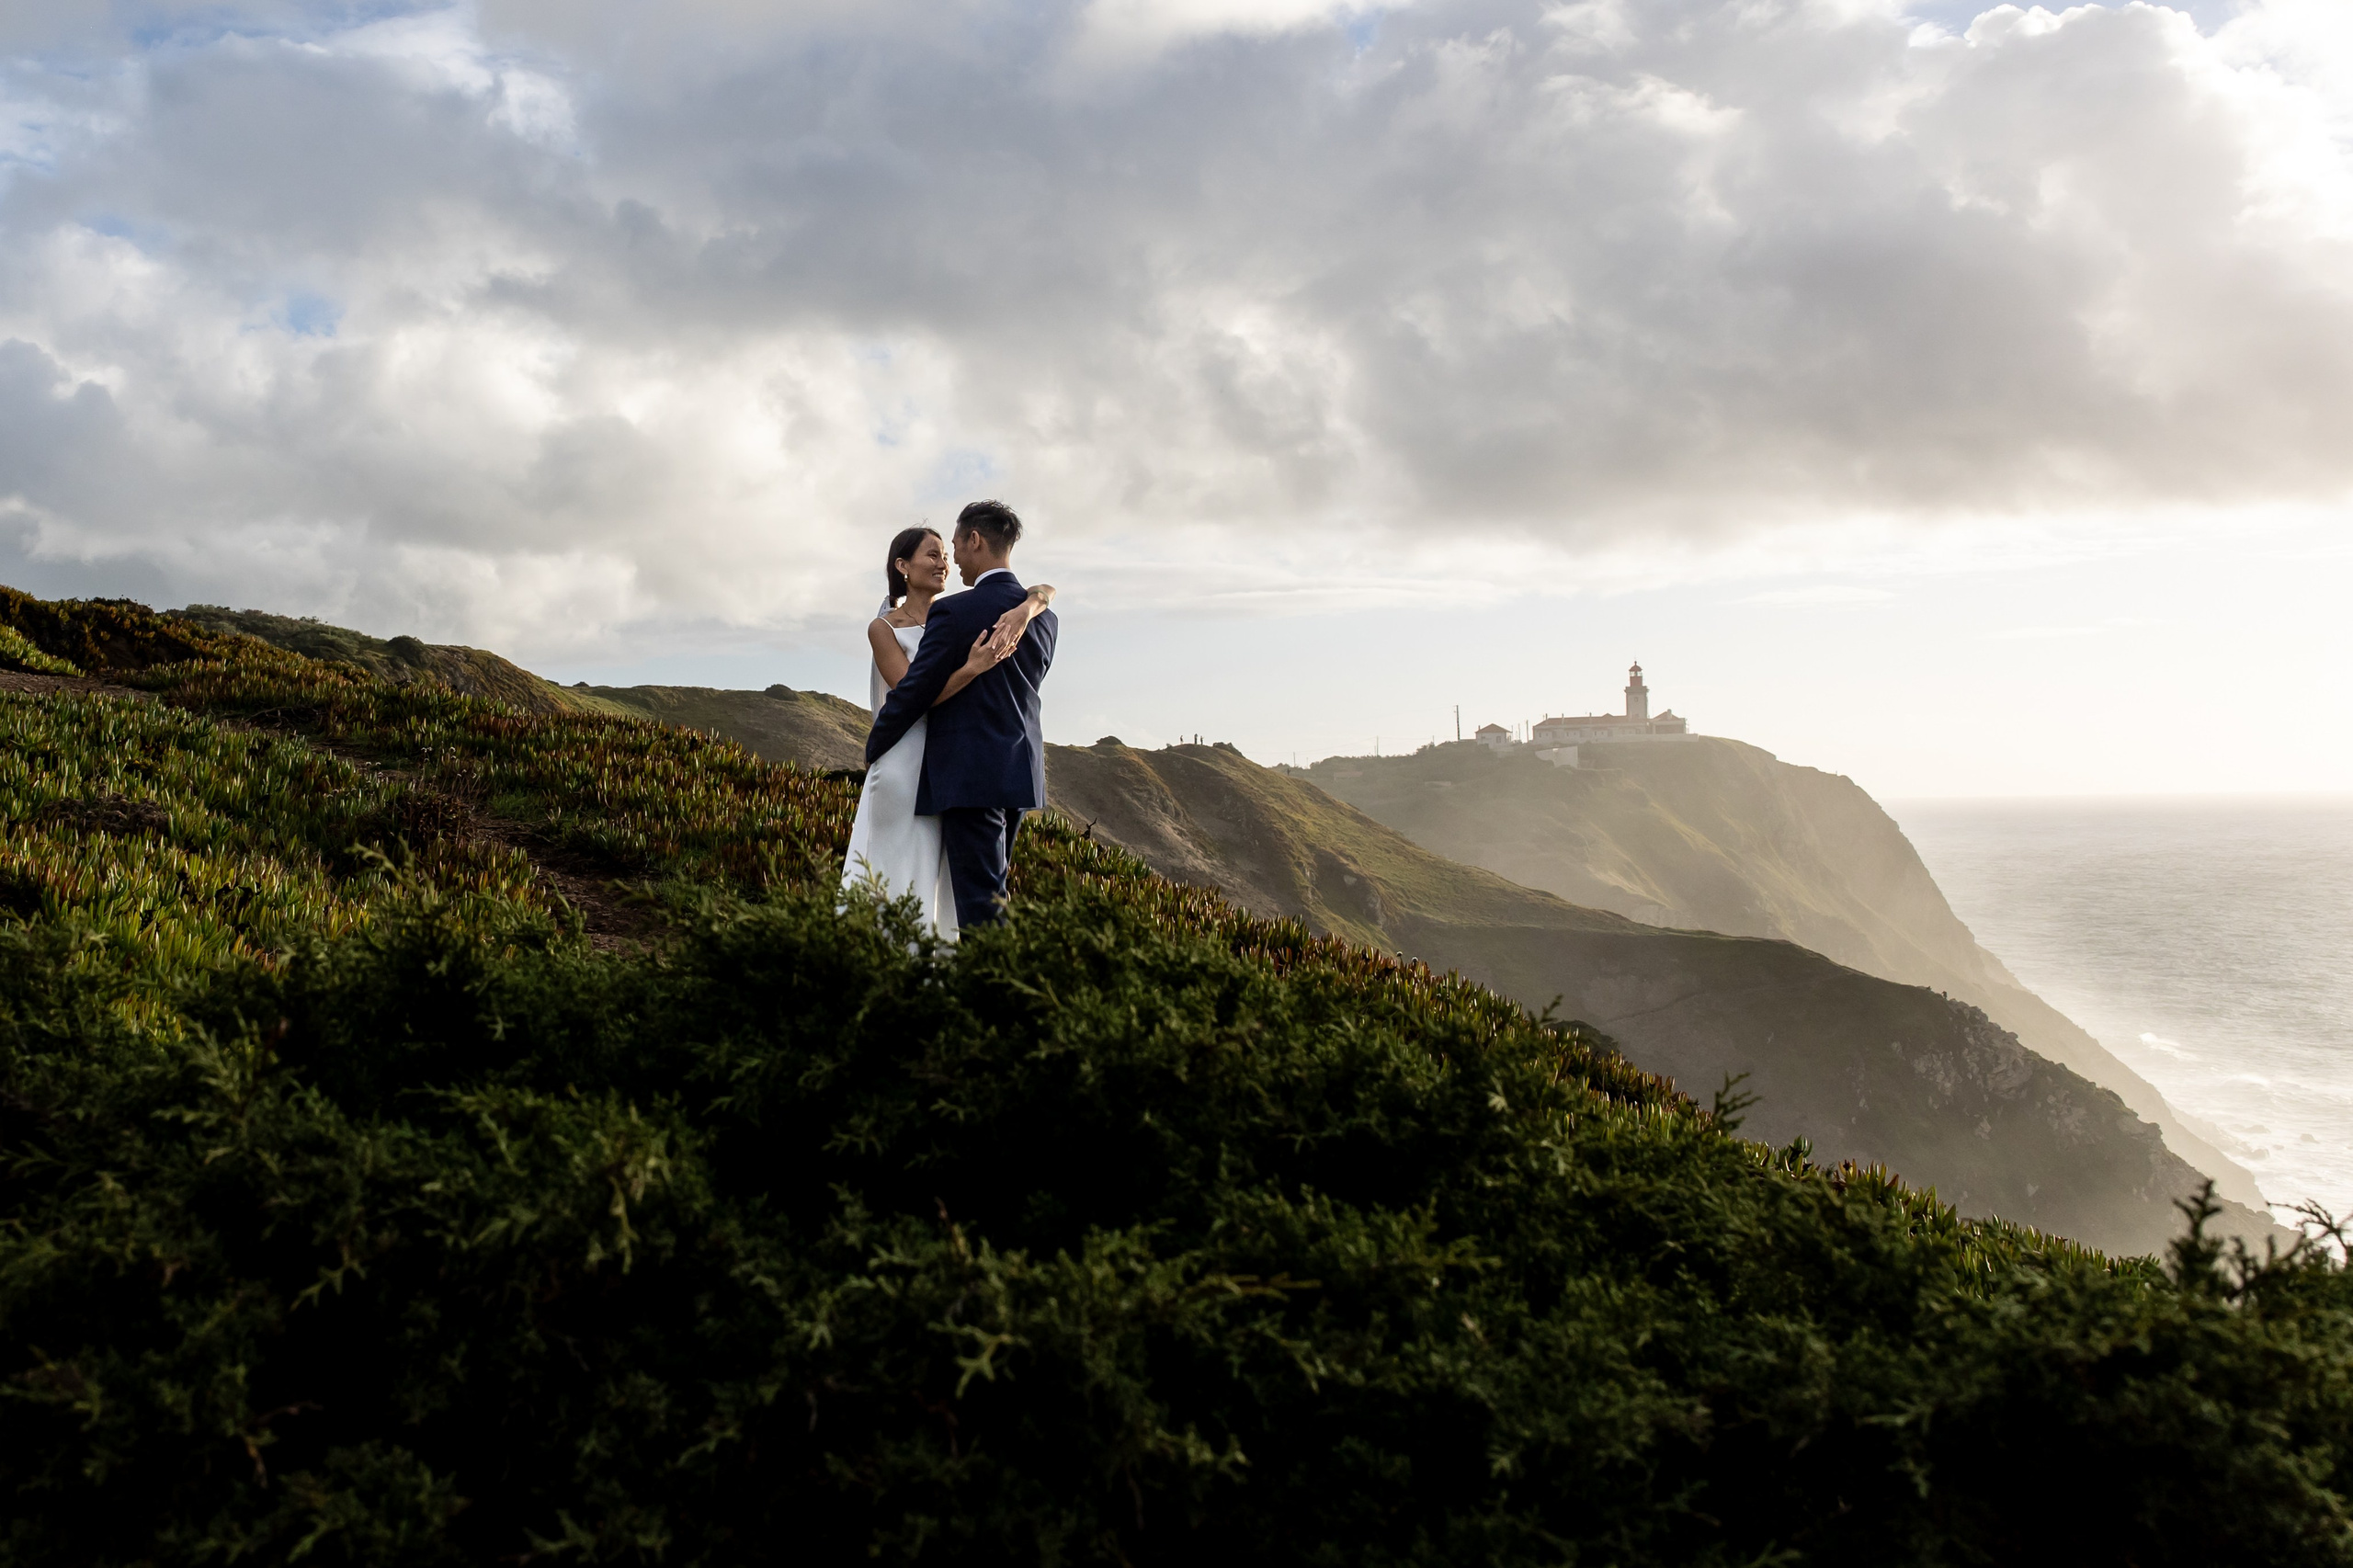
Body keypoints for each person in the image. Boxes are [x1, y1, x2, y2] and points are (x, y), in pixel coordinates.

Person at [841, 506, 1056, 934]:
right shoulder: (1045, 618)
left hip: (961, 769)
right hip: (1013, 768)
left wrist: (874, 744)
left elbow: (911, 696)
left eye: (951, 548)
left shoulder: (956, 613)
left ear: (974, 540)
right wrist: (1032, 602)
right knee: (973, 886)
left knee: (972, 895)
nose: (948, 560)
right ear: (902, 567)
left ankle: (968, 981)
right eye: (934, 554)